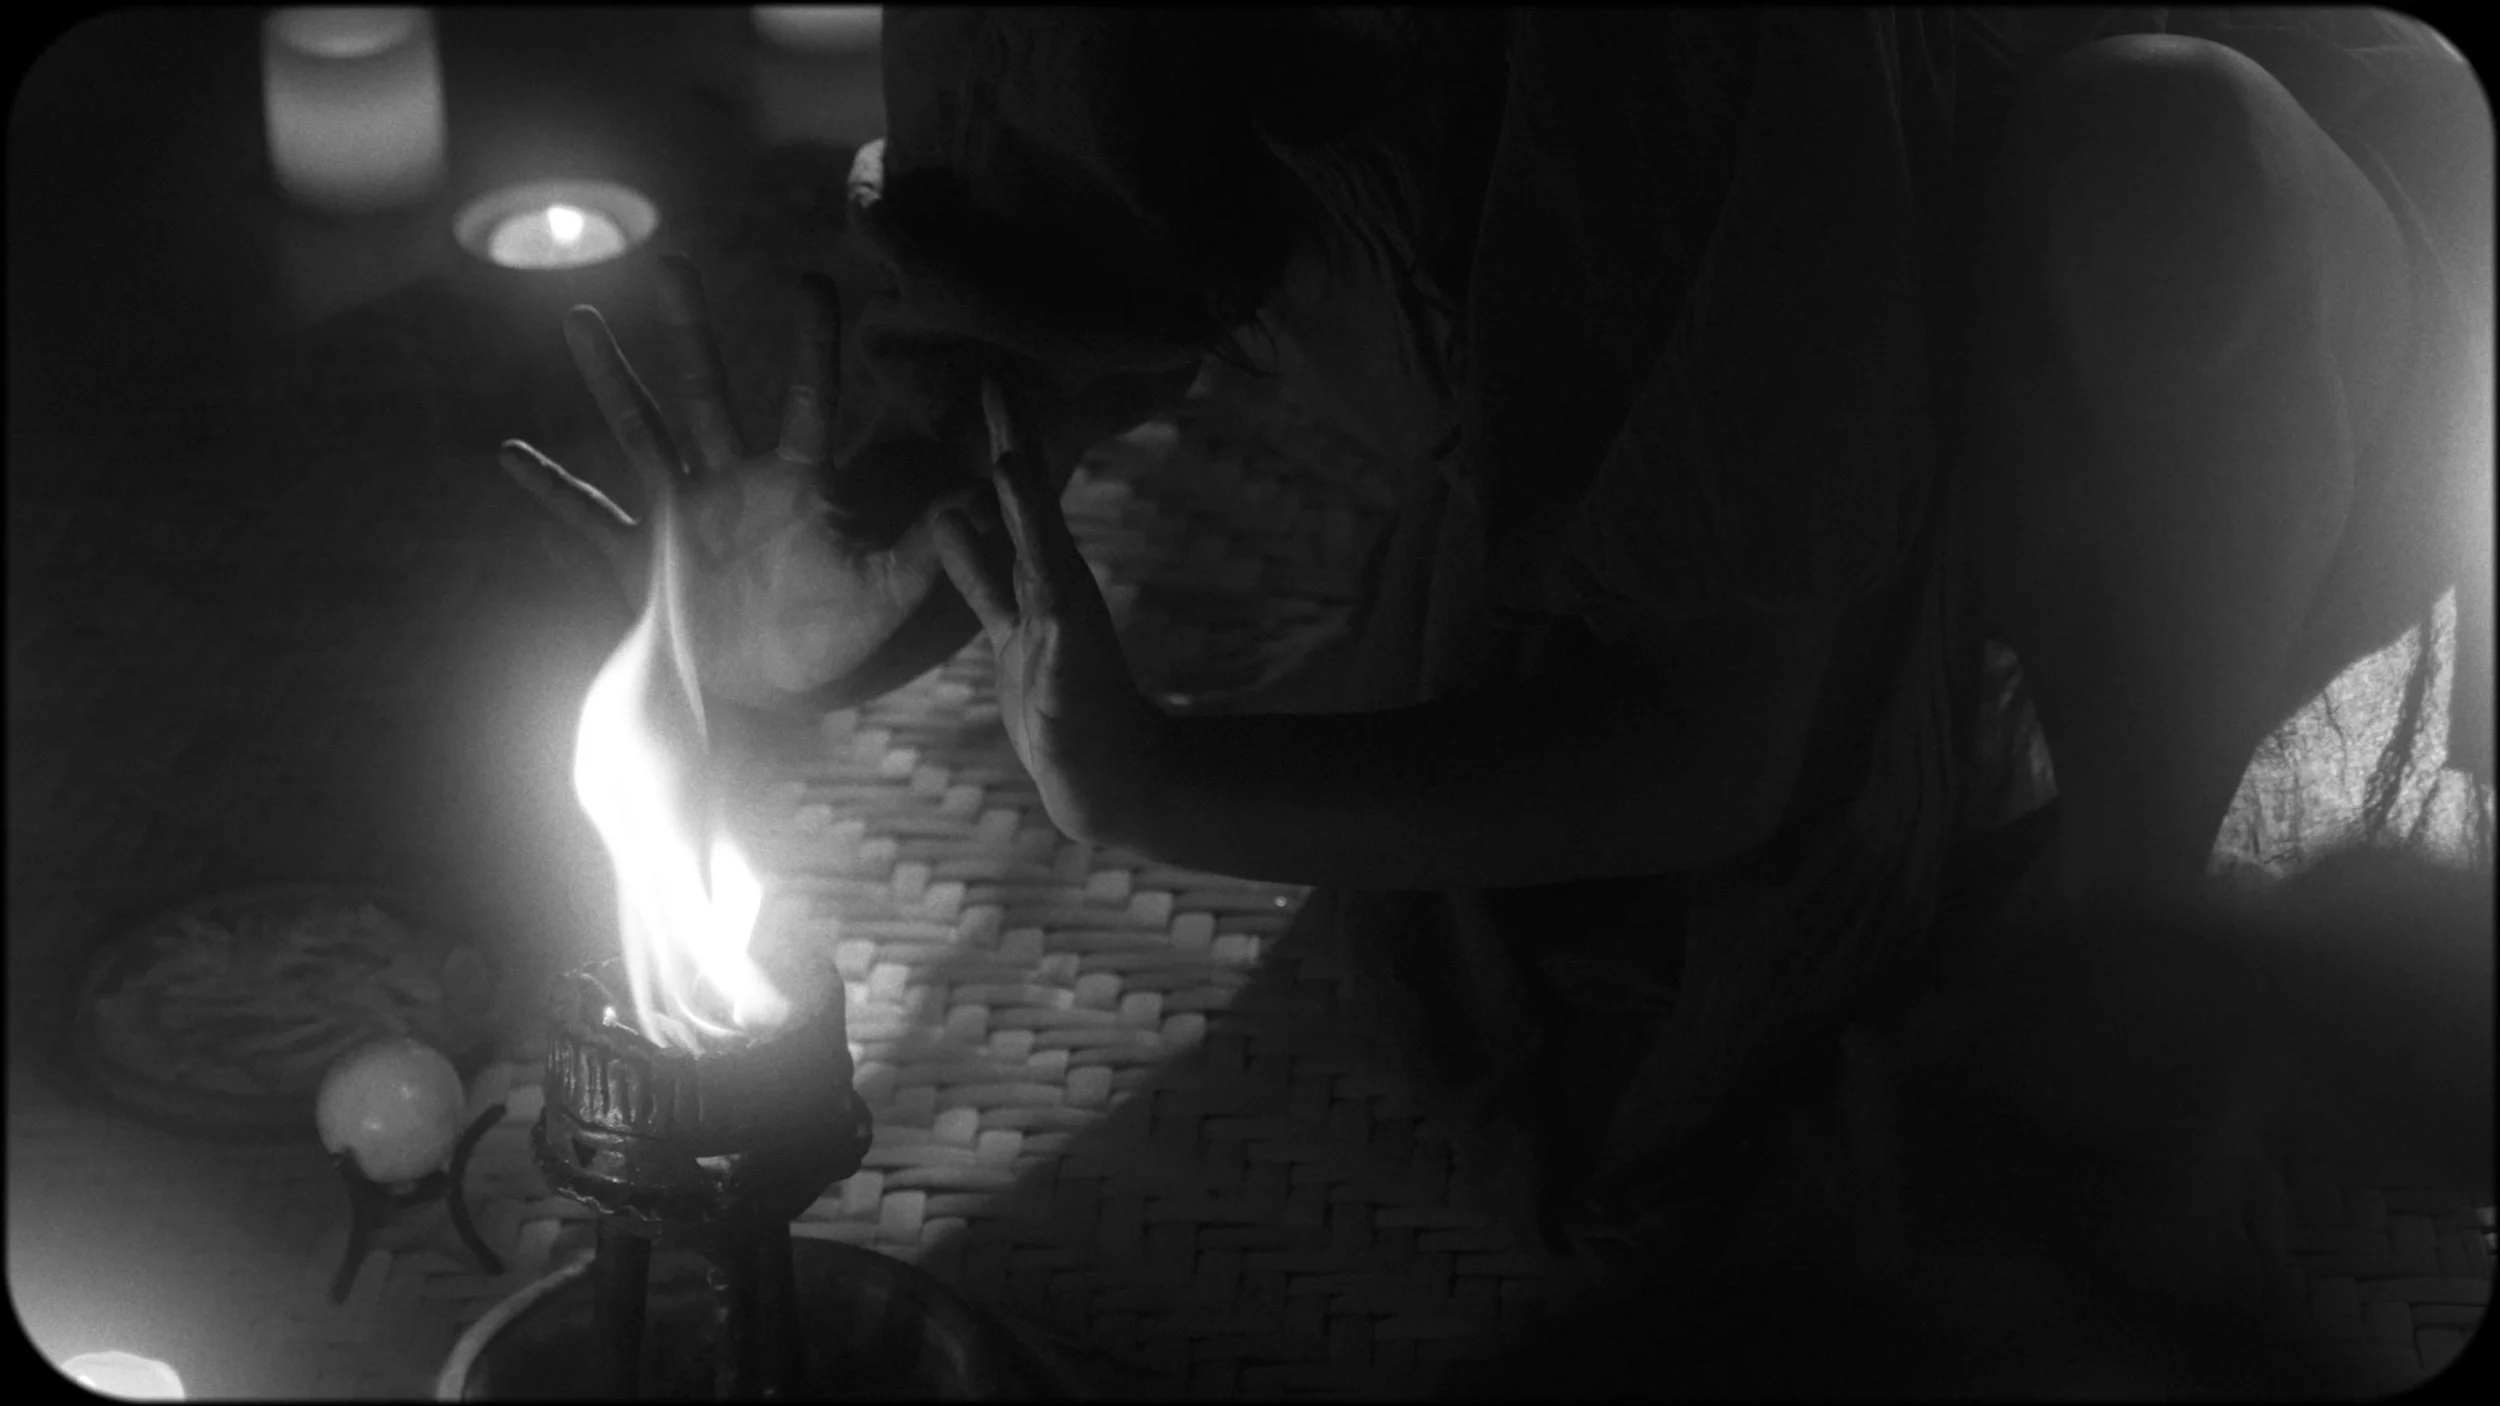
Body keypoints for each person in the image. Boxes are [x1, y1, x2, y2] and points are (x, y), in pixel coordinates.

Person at [502, 6, 2490, 1286]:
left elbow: (1717, 743)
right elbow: (1057, 262)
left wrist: (1169, 787)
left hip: (2242, 414)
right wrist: (861, 560)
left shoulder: (1691, 61)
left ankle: (2138, 971)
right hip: (1768, 488)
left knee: (2160, 171)